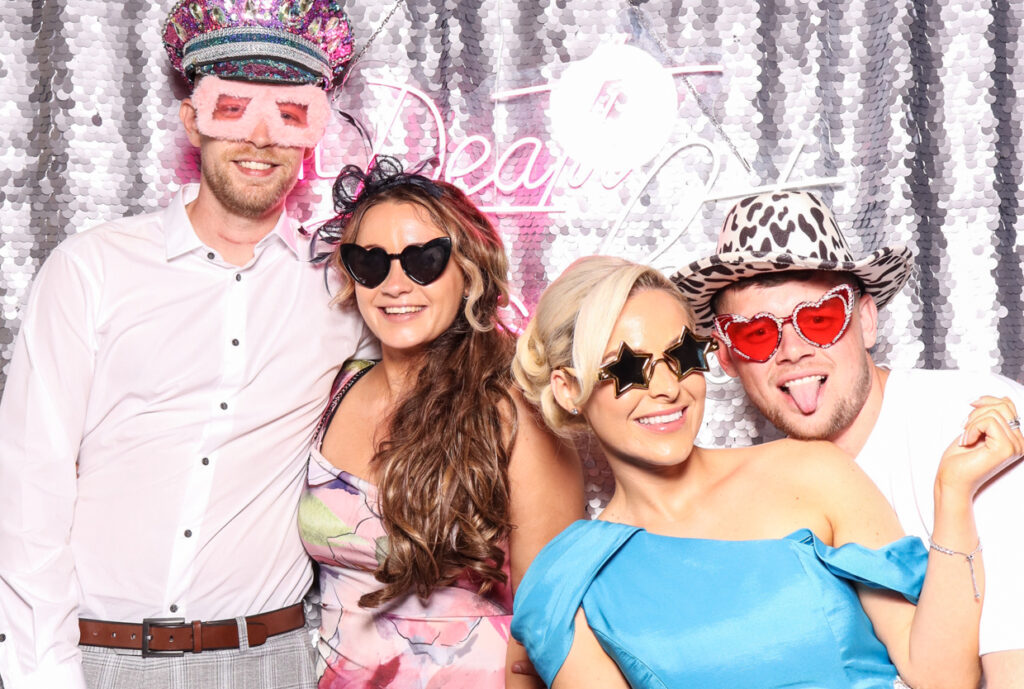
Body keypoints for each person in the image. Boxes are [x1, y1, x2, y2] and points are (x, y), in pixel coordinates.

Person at [0, 2, 376, 687]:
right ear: (191, 120)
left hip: (274, 661)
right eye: (233, 109)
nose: (260, 139)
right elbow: (31, 485)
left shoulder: (342, 294)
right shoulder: (92, 269)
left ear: (311, 137)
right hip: (98, 659)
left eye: (288, 116)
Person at [510, 255, 1021, 689]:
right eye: (626, 369)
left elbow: (942, 677)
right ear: (567, 388)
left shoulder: (812, 470)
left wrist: (952, 495)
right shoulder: (568, 580)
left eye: (682, 356)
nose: (666, 388)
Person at [673, 190, 1024, 687]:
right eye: (756, 334)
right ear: (727, 359)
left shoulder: (977, 425)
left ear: (865, 320)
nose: (792, 351)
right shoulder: (747, 494)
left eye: (819, 319)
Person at [297, 157, 584, 688]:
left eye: (424, 260)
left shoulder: (514, 408)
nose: (395, 284)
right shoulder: (334, 388)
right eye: (371, 262)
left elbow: (550, 621)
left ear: (469, 270)